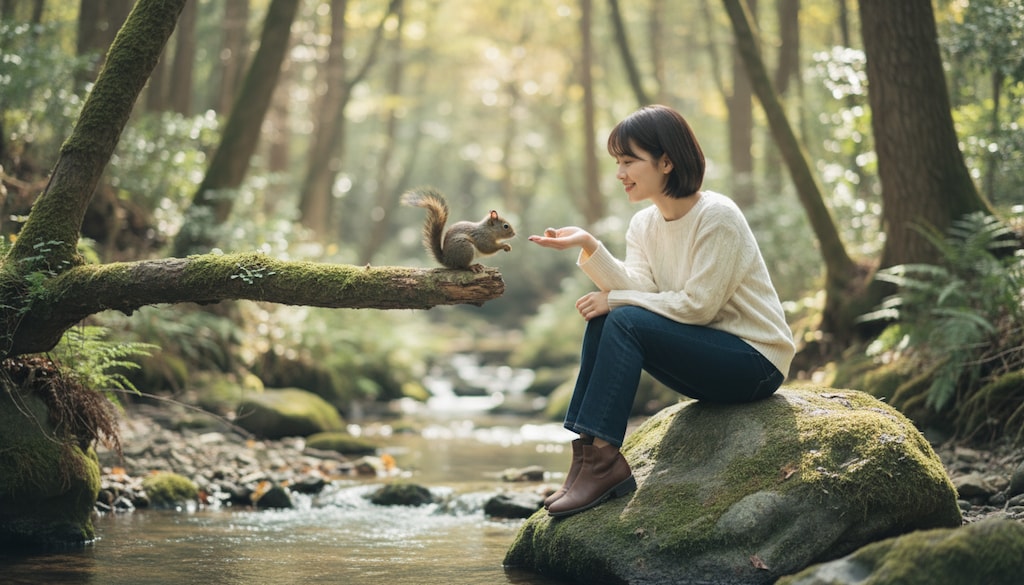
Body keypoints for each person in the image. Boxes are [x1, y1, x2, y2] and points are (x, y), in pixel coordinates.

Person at [528, 104, 795, 518]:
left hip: (754, 361)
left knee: (619, 314)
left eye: (629, 160)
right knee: (610, 318)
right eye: (618, 162)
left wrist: (614, 299)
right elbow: (644, 290)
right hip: (706, 355)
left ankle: (604, 462)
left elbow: (698, 306)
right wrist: (589, 245)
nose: (620, 173)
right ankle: (587, 459)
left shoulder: (718, 217)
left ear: (666, 161)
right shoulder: (644, 224)